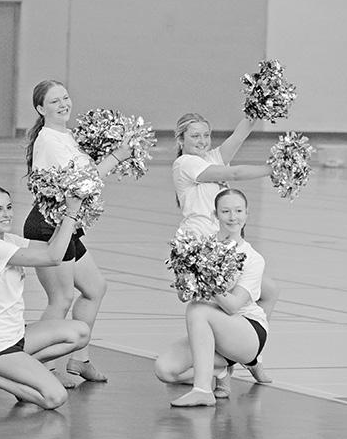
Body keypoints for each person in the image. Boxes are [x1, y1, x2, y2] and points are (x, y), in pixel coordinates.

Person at [22, 80, 130, 385]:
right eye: (54, 101)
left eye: (65, 98)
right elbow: (82, 182)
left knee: (95, 288)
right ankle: (35, 366)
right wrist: (117, 156)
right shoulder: (48, 140)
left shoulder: (66, 136)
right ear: (41, 109)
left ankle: (79, 360)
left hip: (67, 225)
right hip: (48, 226)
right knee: (60, 299)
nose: (63, 104)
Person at [0, 186, 90, 409]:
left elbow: (50, 246)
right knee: (55, 397)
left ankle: (16, 370)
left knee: (80, 333)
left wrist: (60, 213)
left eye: (9, 207)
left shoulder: (9, 240)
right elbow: (53, 258)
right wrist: (71, 214)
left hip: (17, 334)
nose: (7, 214)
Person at [173, 112, 278, 383]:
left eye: (206, 135)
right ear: (181, 139)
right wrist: (272, 169)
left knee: (268, 291)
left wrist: (258, 104)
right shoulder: (185, 163)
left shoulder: (211, 157)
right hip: (201, 246)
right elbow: (235, 173)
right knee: (217, 306)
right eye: (195, 136)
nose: (202, 140)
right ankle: (224, 369)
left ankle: (249, 356)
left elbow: (239, 135)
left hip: (224, 243)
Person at [154, 189, 269, 407]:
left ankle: (202, 390)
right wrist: (184, 271)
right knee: (164, 370)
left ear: (247, 214)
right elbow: (183, 296)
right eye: (225, 211)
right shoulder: (200, 248)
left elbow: (233, 306)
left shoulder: (253, 258)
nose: (233, 217)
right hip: (211, 332)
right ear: (215, 214)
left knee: (198, 309)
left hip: (247, 333)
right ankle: (219, 370)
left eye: (238, 211)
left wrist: (206, 277)